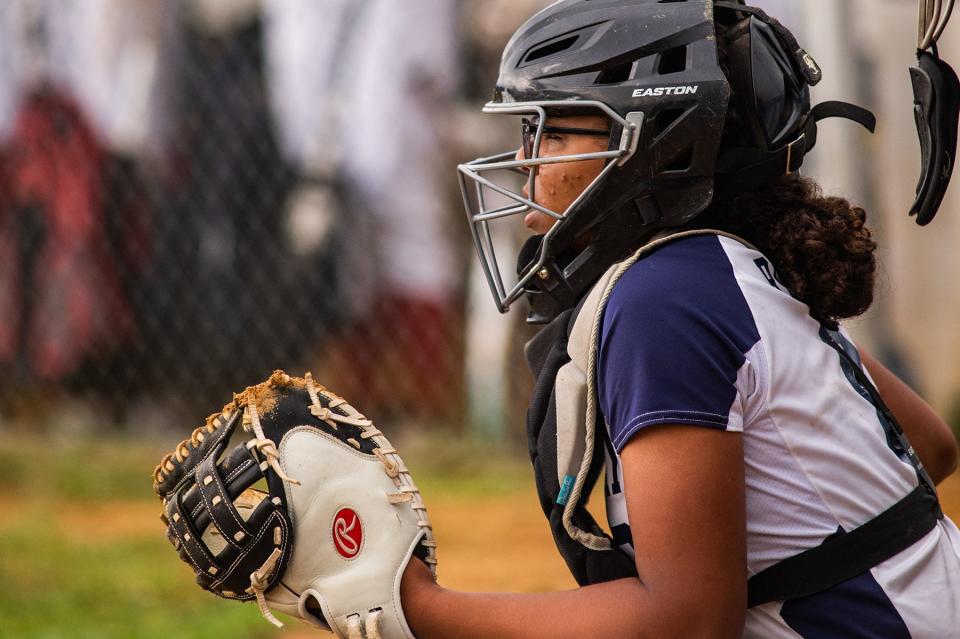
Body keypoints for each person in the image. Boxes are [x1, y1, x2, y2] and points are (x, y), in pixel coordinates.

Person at [399, 1, 960, 637]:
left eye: (553, 132)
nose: (526, 164)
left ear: (655, 144)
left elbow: (688, 622)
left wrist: (421, 610)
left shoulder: (663, 300)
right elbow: (929, 446)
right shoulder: (718, 267)